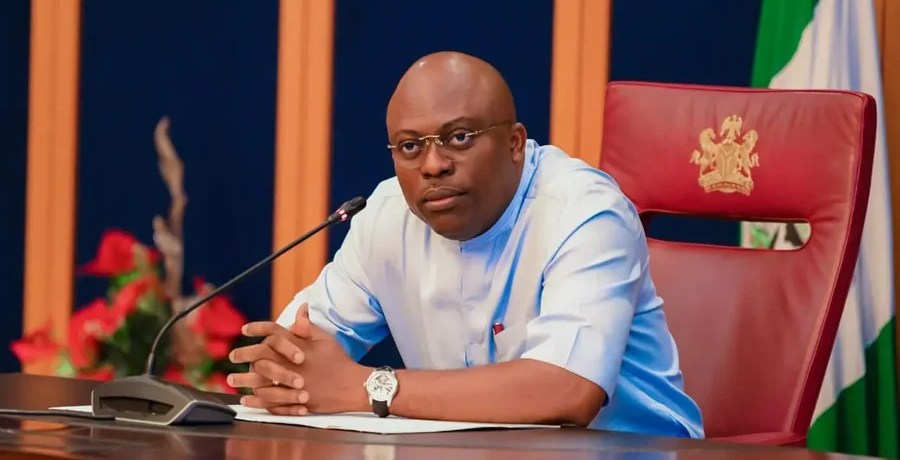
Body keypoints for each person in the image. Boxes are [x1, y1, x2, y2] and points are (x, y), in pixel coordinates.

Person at [226, 51, 704, 438]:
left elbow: (567, 391)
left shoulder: (584, 210)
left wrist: (371, 387)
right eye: (410, 146)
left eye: (458, 137)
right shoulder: (386, 215)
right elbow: (295, 355)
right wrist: (285, 374)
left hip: (632, 451)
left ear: (515, 143)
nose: (433, 165)